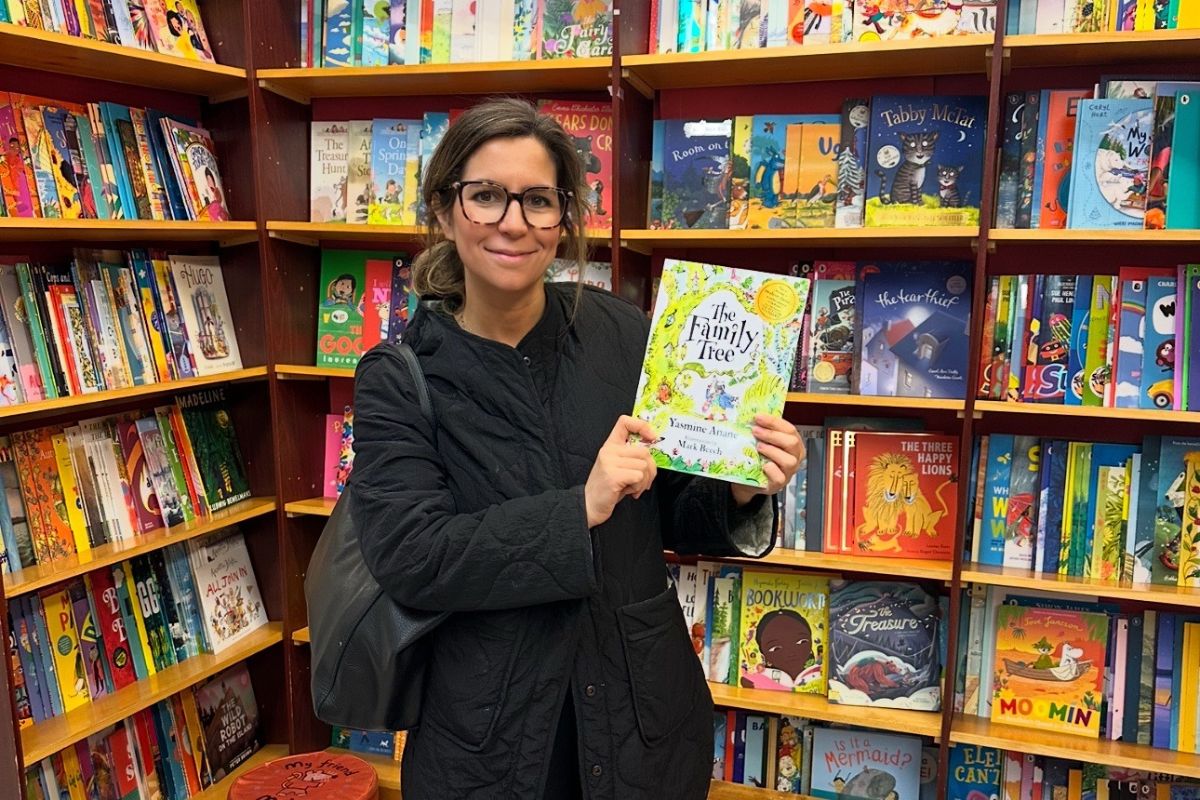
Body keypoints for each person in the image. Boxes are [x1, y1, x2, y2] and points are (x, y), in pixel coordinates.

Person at [351, 98, 804, 800]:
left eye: (538, 200)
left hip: (639, 717)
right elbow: (415, 558)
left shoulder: (626, 336)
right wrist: (580, 508)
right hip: (489, 737)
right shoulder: (401, 378)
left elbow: (672, 508)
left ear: (563, 220)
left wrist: (743, 483)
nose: (513, 222)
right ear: (444, 211)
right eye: (486, 196)